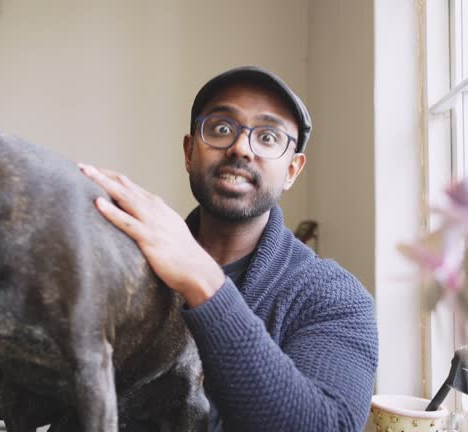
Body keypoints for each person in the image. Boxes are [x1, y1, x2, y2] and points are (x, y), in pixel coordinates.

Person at [79, 65, 379, 431]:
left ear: (292, 170)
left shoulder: (334, 298)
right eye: (221, 129)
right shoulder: (122, 260)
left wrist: (201, 279)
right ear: (190, 152)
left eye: (268, 137)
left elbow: (326, 426)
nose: (240, 147)